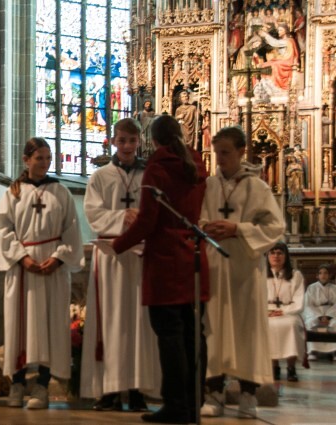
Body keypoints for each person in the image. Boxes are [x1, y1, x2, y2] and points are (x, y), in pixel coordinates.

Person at [110, 114, 208, 424]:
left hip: (166, 261)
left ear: (152, 140)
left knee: (170, 337)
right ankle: (193, 402)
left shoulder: (158, 168)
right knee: (193, 334)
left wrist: (118, 244)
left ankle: (176, 405)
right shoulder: (195, 163)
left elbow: (148, 221)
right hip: (193, 257)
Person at [199, 126, 285, 419]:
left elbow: (275, 227)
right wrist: (206, 226)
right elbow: (198, 219)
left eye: (225, 152)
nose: (220, 158)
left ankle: (248, 396)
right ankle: (214, 393)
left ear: (241, 152)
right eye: (217, 153)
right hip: (215, 265)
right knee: (214, 329)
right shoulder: (209, 185)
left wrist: (238, 228)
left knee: (247, 331)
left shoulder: (256, 188)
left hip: (245, 269)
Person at [0, 138, 84, 410]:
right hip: (22, 268)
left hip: (52, 269)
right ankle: (17, 383)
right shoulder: (13, 192)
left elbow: (72, 230)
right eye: (39, 158)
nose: (45, 163)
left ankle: (42, 386)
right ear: (26, 160)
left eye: (48, 158)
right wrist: (22, 258)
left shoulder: (61, 192)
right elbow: (3, 230)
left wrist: (57, 258)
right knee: (19, 326)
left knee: (50, 326)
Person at [80, 118, 160, 411]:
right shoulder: (100, 176)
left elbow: (158, 210)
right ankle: (109, 390)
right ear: (113, 141)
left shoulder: (149, 175)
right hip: (110, 254)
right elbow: (92, 213)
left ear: (139, 142)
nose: (127, 146)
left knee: (140, 322)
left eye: (132, 140)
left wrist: (139, 219)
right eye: (122, 140)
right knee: (110, 321)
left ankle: (137, 389)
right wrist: (121, 217)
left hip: (140, 255)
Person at [266, 242, 305, 382]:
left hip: (289, 312)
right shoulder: (260, 274)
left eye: (279, 253)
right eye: (272, 253)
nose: (276, 256)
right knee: (267, 325)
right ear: (267, 256)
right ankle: (274, 366)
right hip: (267, 313)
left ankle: (291, 367)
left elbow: (299, 300)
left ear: (286, 256)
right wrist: (267, 311)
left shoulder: (295, 275)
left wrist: (282, 311)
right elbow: (256, 298)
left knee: (291, 325)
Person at [304, 264, 336, 359]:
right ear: (317, 276)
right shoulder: (311, 288)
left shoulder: (334, 288)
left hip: (332, 313)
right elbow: (308, 305)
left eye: (326, 273)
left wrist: (329, 316)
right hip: (315, 313)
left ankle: (334, 350)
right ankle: (313, 350)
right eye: (321, 273)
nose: (323, 275)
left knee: (334, 323)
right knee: (311, 323)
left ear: (329, 275)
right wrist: (319, 316)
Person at [258, 24, 299, 91]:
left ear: (285, 31)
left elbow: (275, 43)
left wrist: (266, 35)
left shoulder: (289, 40)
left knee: (274, 65)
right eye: (278, 30)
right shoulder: (282, 40)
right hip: (281, 59)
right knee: (264, 65)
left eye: (280, 30)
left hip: (288, 61)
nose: (278, 32)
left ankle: (275, 86)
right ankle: (266, 85)